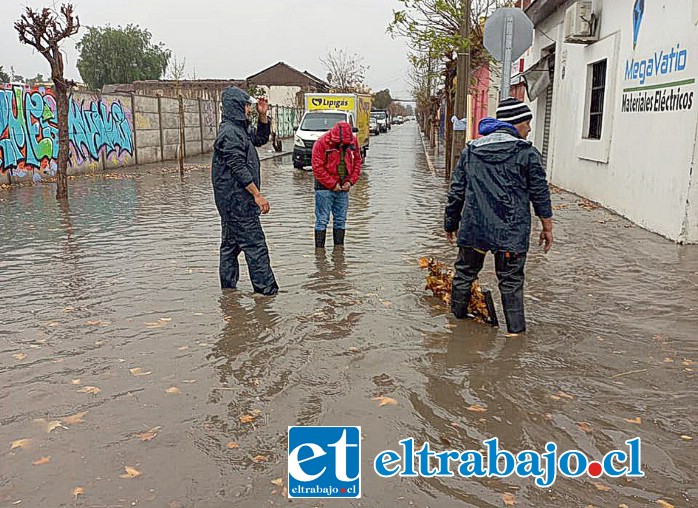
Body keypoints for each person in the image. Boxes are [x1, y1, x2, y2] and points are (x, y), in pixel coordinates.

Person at [444, 97, 553, 334]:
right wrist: (547, 226)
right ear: (516, 124)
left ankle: (456, 327)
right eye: (527, 122)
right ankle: (515, 335)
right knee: (511, 283)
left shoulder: (471, 151)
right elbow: (540, 192)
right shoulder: (527, 153)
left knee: (464, 274)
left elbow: (456, 191)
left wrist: (450, 223)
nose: (530, 128)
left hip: (475, 230)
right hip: (511, 234)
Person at [211, 86, 278, 295]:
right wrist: (256, 194)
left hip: (233, 202)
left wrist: (263, 115)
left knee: (230, 246)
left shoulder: (238, 129)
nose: (250, 109)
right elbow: (237, 166)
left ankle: (228, 293)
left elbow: (260, 139)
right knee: (256, 246)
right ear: (237, 107)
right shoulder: (229, 133)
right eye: (248, 106)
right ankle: (267, 293)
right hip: (237, 202)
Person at [311, 121, 362, 248]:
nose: (342, 146)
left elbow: (357, 162)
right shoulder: (321, 143)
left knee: (340, 221)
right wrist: (333, 184)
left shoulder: (353, 142)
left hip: (344, 187)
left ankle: (338, 253)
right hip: (323, 188)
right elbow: (317, 168)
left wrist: (350, 181)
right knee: (322, 220)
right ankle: (320, 253)